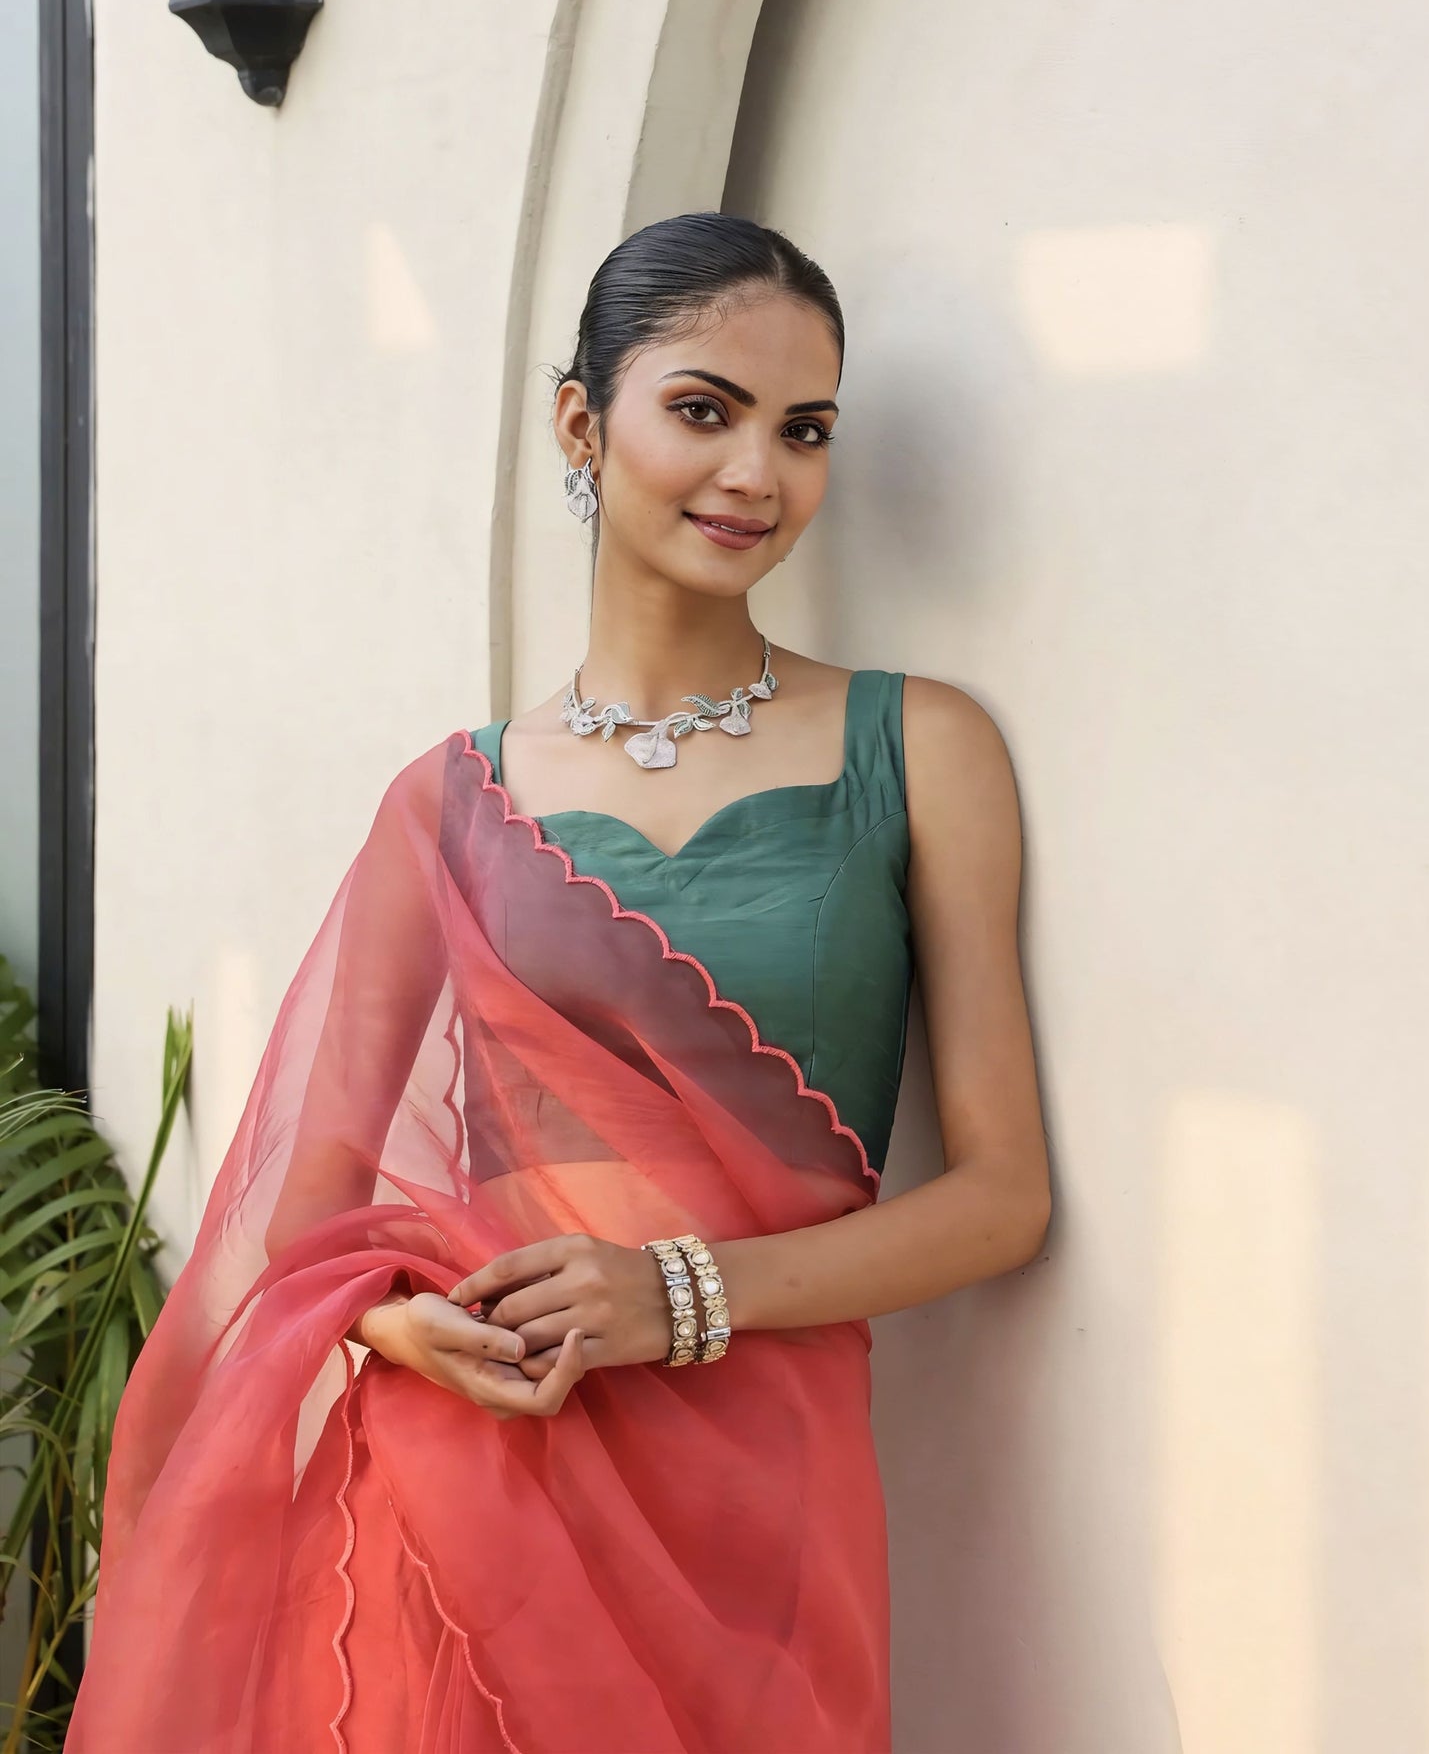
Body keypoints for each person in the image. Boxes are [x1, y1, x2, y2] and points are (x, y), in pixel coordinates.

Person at [67, 213, 1051, 1754]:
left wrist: (675, 1296)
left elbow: (1001, 1198)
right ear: (582, 424)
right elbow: (310, 1210)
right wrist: (405, 1329)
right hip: (479, 1477)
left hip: (759, 1487)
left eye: (802, 430)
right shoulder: (448, 800)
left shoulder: (919, 749)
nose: (756, 473)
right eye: (705, 410)